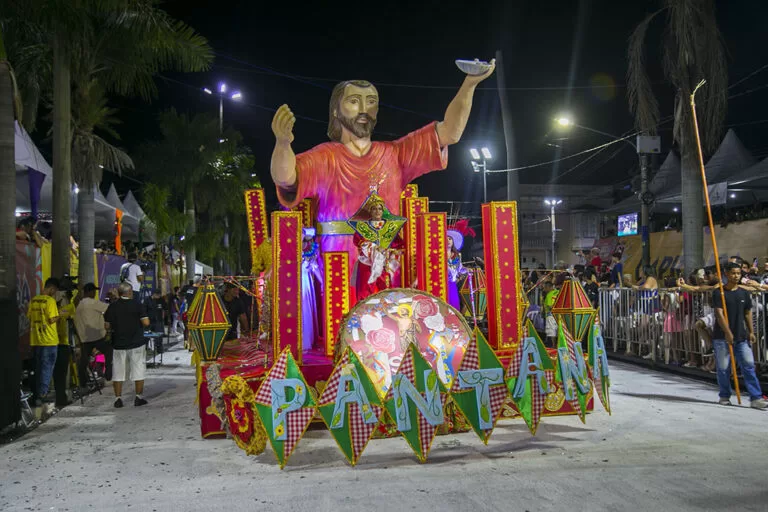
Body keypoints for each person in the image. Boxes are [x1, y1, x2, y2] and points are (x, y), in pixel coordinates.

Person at [270, 62, 496, 270]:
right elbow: (286, 178)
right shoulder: (324, 157)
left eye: (371, 102)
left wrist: (469, 84)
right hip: (337, 267)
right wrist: (282, 144)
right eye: (353, 101)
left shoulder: (395, 154)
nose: (363, 109)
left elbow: (449, 132)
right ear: (336, 110)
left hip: (386, 266)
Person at [711, 262, 767, 409]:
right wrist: (728, 332)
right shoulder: (719, 293)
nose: (736, 276)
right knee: (724, 368)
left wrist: (751, 331)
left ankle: (756, 397)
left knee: (748, 365)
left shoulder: (743, 293)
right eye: (733, 273)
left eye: (738, 273)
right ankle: (724, 395)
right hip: (721, 337)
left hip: (741, 336)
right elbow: (719, 314)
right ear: (726, 274)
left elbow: (747, 313)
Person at [104, 283, 150, 408]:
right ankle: (138, 397)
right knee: (138, 370)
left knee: (118, 372)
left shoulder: (112, 307)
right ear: (129, 292)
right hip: (136, 343)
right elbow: (146, 322)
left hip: (118, 344)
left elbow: (107, 326)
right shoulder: (137, 305)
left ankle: (118, 399)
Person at [352, 196, 405, 300]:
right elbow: (359, 241)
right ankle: (362, 313)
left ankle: (386, 312)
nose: (377, 211)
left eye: (380, 208)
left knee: (386, 290)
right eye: (374, 209)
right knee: (364, 291)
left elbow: (399, 245)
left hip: (384, 263)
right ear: (370, 212)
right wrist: (375, 248)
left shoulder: (390, 228)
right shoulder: (363, 228)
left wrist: (394, 253)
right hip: (367, 263)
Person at [27, 278, 61, 405]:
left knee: (38, 368)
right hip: (49, 340)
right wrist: (60, 314)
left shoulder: (34, 300)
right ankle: (42, 394)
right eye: (55, 290)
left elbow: (29, 316)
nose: (55, 293)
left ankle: (36, 394)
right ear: (52, 288)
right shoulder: (51, 301)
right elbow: (52, 319)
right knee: (47, 368)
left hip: (36, 340)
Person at [74, 283, 113, 386]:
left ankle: (83, 382)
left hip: (83, 338)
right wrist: (113, 298)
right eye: (94, 291)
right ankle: (108, 376)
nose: (95, 293)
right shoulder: (92, 302)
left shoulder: (79, 303)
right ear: (90, 292)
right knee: (109, 351)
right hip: (96, 336)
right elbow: (109, 308)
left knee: (84, 361)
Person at [52, 279, 76, 408]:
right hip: (61, 342)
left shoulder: (50, 300)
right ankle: (60, 398)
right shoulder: (68, 305)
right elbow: (70, 316)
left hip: (51, 341)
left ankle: (60, 396)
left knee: (57, 373)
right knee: (60, 372)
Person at [301, 230, 322, 351]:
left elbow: (314, 267)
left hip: (305, 281)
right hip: (291, 283)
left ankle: (306, 341)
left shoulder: (310, 250)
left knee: (305, 309)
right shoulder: (287, 248)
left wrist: (323, 282)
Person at [446, 220, 473, 311]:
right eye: (446, 238)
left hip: (452, 285)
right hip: (441, 284)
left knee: (454, 307)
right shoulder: (439, 254)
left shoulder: (457, 256)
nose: (448, 241)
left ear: (453, 241)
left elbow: (460, 269)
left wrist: (467, 269)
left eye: (450, 239)